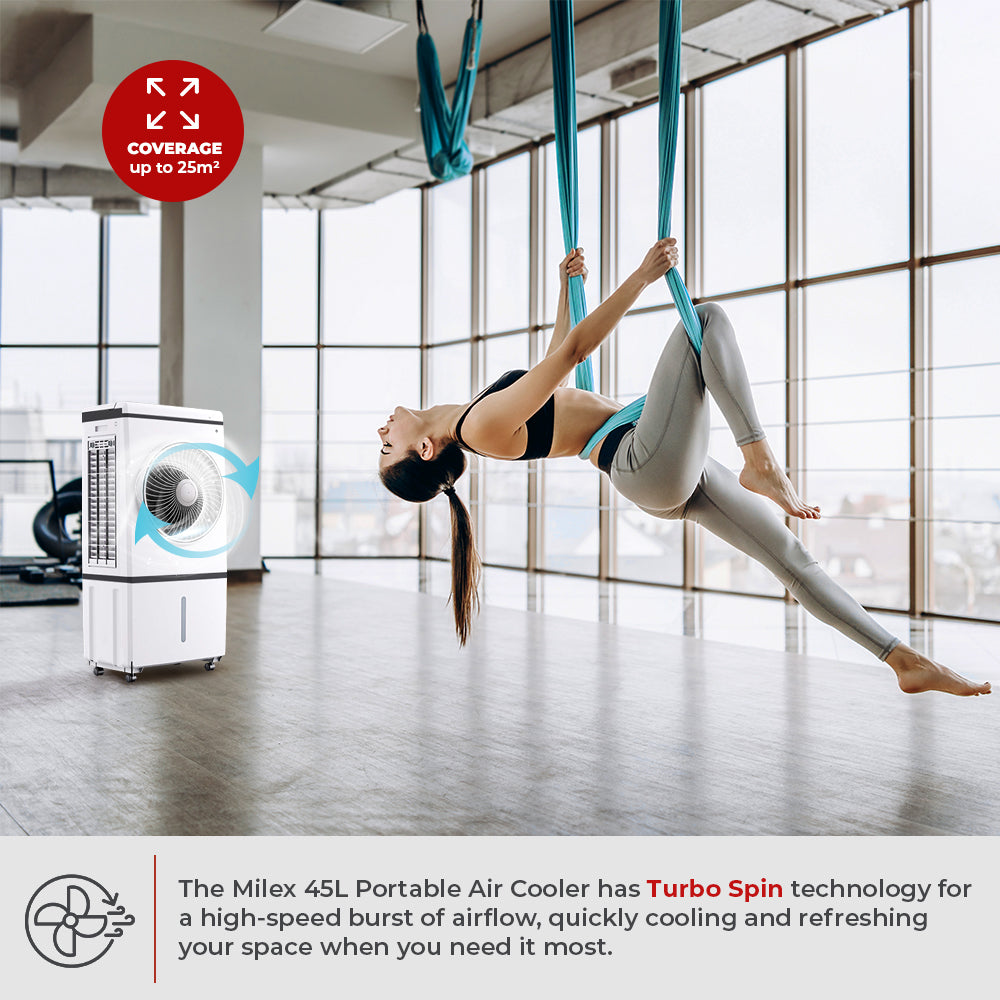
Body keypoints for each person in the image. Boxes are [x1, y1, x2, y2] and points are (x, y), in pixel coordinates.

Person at [378, 239, 990, 698]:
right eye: (386, 447)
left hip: (654, 463)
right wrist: (642, 278)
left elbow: (553, 364)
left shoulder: (478, 417)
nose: (383, 432)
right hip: (641, 457)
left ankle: (901, 660)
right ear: (425, 451)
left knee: (790, 558)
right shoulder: (479, 429)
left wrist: (568, 291)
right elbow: (571, 356)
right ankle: (761, 461)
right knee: (707, 323)